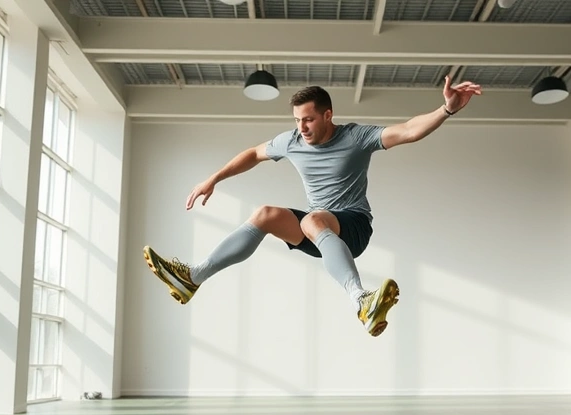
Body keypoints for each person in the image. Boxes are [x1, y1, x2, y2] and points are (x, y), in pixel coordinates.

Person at [144, 76, 482, 337]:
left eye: (307, 119)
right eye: (296, 120)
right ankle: (194, 277)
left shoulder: (355, 137)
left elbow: (408, 131)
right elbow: (252, 153)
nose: (301, 127)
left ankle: (360, 300)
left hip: (353, 226)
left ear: (327, 115)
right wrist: (214, 178)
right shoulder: (290, 141)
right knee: (264, 214)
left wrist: (446, 109)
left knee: (313, 219)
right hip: (319, 230)